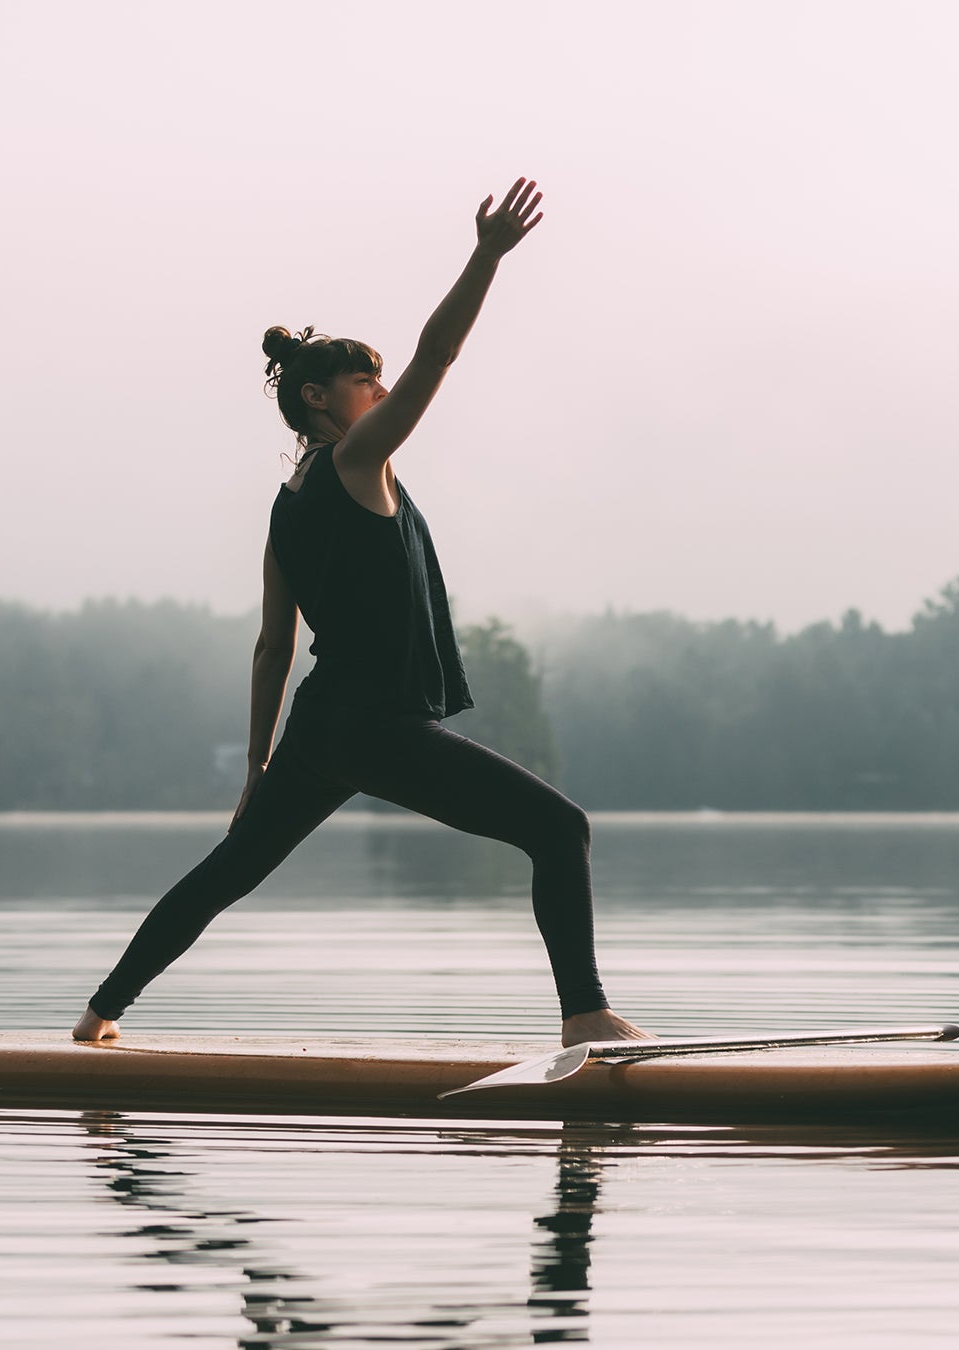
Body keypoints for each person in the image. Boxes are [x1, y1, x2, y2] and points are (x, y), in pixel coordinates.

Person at [73, 177, 652, 1049]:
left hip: (319, 726)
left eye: (378, 378)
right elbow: (437, 358)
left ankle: (99, 1014)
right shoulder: (355, 462)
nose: (380, 390)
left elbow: (275, 646)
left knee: (228, 872)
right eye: (362, 378)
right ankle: (587, 1019)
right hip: (376, 725)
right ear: (318, 398)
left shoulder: (285, 501)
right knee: (559, 829)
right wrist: (486, 257)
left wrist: (259, 763)